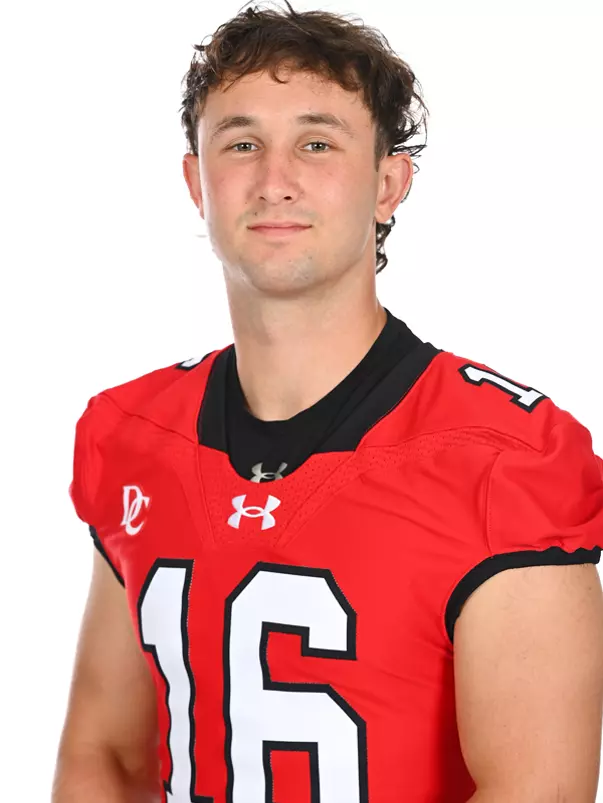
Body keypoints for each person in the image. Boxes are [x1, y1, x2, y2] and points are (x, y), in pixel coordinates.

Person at [52, 2, 603, 801]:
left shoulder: (502, 462)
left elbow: (535, 792)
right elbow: (106, 756)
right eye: (241, 144)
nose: (275, 179)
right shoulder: (136, 433)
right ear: (194, 182)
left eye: (316, 143)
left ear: (387, 182)